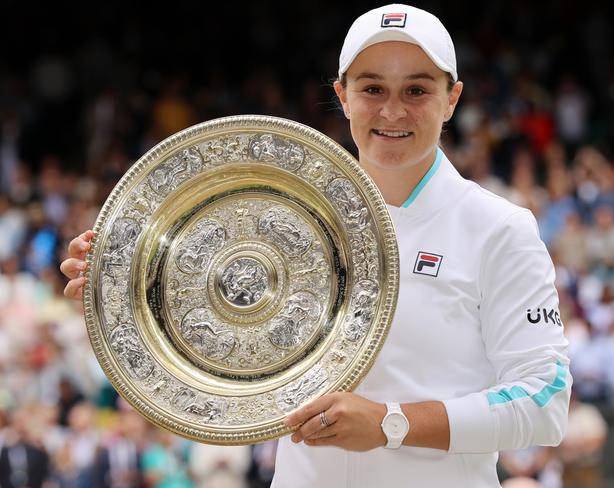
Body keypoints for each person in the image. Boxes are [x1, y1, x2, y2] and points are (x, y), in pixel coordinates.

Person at [60, 4, 572, 486]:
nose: (393, 111)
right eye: (373, 89)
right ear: (343, 95)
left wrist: (391, 423)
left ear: (452, 98)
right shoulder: (277, 215)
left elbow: (543, 402)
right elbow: (218, 344)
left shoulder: (499, 228)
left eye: (417, 91)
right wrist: (121, 289)